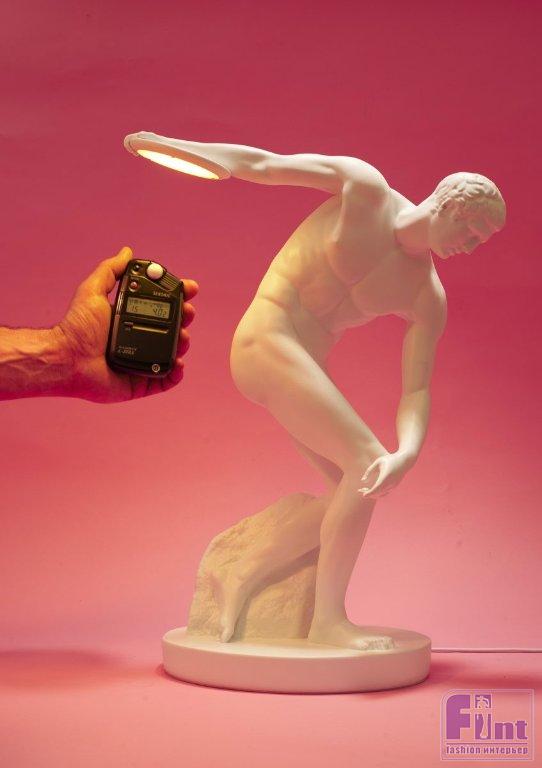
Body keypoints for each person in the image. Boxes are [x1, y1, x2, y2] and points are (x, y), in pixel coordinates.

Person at [132, 133, 505, 650]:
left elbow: (416, 389)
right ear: (451, 205)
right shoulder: (365, 189)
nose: (470, 247)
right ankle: (328, 621)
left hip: (302, 367)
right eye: (472, 232)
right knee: (365, 463)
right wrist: (181, 150)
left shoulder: (425, 294)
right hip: (266, 338)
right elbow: (266, 165)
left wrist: (409, 452)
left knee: (357, 488)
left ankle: (241, 571)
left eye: (480, 242)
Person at [0, 246, 198, 402]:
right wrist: (69, 351)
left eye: (157, 311)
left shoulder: (171, 288)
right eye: (138, 306)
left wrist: (68, 354)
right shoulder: (166, 287)